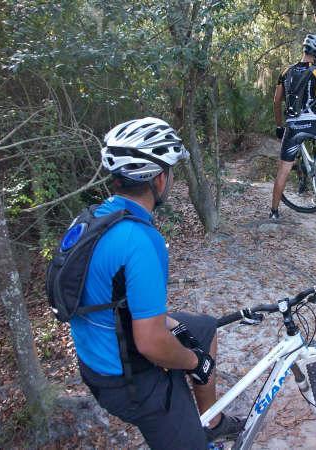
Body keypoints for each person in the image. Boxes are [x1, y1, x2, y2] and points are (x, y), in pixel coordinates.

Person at [71, 117, 244, 449]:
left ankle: (212, 422)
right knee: (194, 362)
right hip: (127, 380)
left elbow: (110, 297)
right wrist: (195, 362)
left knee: (204, 329)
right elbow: (150, 344)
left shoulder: (92, 219)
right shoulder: (140, 241)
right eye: (171, 171)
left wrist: (181, 334)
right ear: (160, 179)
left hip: (98, 351)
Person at [270, 34, 316, 220]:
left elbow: (276, 102)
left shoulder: (285, 72)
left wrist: (279, 126)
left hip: (292, 127)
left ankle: (274, 211)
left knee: (283, 168)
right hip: (313, 124)